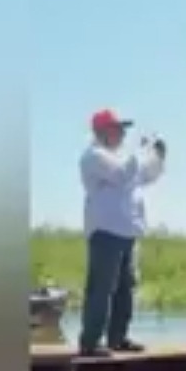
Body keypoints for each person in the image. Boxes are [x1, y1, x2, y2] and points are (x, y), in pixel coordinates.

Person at [77, 108, 166, 357]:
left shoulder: (121, 157)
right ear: (102, 131)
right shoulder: (94, 156)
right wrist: (142, 149)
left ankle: (118, 337)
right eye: (117, 128)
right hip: (106, 232)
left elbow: (146, 175)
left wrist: (158, 156)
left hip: (128, 231)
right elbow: (123, 174)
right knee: (102, 288)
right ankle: (91, 342)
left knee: (125, 287)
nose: (122, 133)